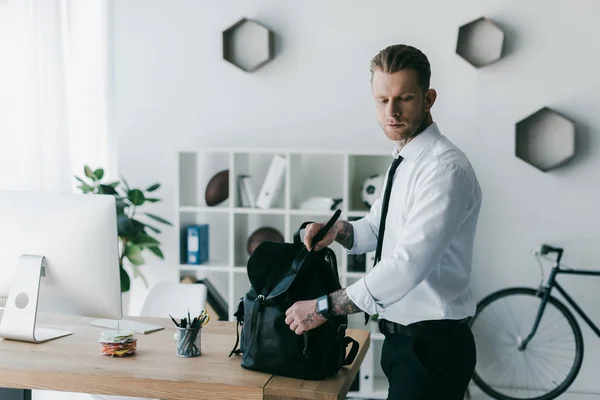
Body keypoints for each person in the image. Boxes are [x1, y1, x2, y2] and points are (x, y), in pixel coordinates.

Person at [284, 44, 482, 399]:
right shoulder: (405, 160)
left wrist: (323, 308)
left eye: (404, 98)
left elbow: (407, 266)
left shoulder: (444, 169)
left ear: (429, 98)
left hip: (432, 349)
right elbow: (375, 230)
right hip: (404, 344)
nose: (391, 112)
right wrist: (335, 231)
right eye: (382, 99)